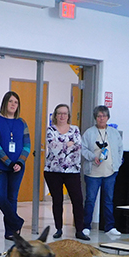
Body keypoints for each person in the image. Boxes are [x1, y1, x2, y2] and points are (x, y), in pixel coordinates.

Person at [45, 103, 87, 240]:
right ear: (55, 115)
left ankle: (80, 230)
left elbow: (78, 147)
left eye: (65, 113)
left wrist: (62, 145)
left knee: (77, 200)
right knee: (57, 200)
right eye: (59, 113)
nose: (62, 116)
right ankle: (58, 229)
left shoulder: (75, 129)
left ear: (68, 116)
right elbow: (53, 148)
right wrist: (68, 145)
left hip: (72, 170)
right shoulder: (50, 130)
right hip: (53, 171)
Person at [0, 91, 30, 240]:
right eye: (11, 101)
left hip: (18, 167)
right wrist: (9, 162)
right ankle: (16, 221)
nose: (13, 104)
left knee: (12, 198)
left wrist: (20, 162)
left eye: (16, 102)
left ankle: (11, 232)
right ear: (5, 103)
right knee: (0, 196)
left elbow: (27, 145)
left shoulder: (22, 122)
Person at [81, 105, 123, 237]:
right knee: (90, 200)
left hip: (110, 172)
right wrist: (93, 157)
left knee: (108, 200)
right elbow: (83, 149)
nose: (101, 118)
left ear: (108, 117)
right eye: (99, 116)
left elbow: (119, 149)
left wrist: (118, 163)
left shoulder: (114, 133)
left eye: (104, 116)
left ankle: (109, 226)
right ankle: (86, 225)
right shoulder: (89, 133)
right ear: (95, 118)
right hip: (93, 172)